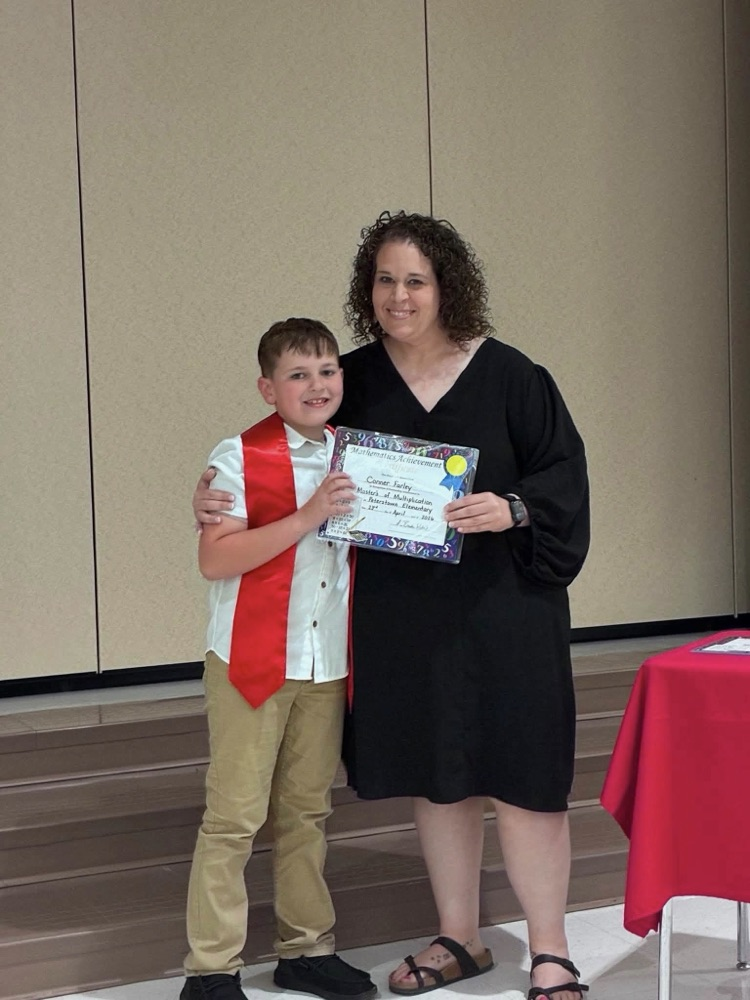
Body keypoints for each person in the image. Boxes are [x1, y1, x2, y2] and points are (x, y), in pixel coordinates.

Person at [193, 214, 591, 1000]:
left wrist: (510, 509)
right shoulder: (352, 378)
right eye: (384, 279)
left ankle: (551, 951)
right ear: (365, 290)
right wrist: (216, 490)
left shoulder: (514, 376)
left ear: (447, 285)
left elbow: (564, 482)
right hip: (405, 618)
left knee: (525, 778)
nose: (399, 295)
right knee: (437, 775)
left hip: (507, 610)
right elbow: (279, 445)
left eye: (416, 279)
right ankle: (460, 938)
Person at [182, 317, 376, 1000]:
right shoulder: (236, 456)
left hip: (325, 663)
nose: (316, 385)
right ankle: (211, 968)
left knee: (307, 813)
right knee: (233, 816)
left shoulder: (360, 454)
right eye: (298, 374)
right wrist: (307, 514)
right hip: (252, 661)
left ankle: (306, 950)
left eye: (327, 371)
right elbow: (216, 557)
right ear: (269, 387)